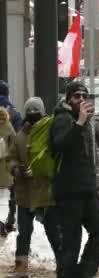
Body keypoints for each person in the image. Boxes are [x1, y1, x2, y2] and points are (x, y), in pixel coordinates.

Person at [47, 81, 99, 277]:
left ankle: (83, 273)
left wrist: (96, 190)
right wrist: (78, 124)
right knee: (71, 245)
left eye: (85, 96)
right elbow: (60, 145)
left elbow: (89, 158)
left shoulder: (86, 122)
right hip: (68, 193)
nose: (82, 100)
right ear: (68, 100)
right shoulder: (63, 119)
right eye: (77, 96)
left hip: (87, 191)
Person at [7, 97, 55, 275]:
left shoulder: (50, 132)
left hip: (45, 193)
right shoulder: (20, 136)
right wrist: (15, 169)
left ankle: (63, 264)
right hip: (25, 194)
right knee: (24, 233)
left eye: (36, 111)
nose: (33, 114)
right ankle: (21, 267)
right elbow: (10, 158)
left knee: (53, 232)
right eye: (30, 111)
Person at [0, 81, 22, 235]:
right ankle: (10, 219)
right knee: (13, 189)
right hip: (8, 159)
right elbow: (18, 139)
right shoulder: (14, 112)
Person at [0, 107, 16, 236]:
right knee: (7, 196)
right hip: (6, 168)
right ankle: (8, 221)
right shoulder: (9, 127)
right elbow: (14, 146)